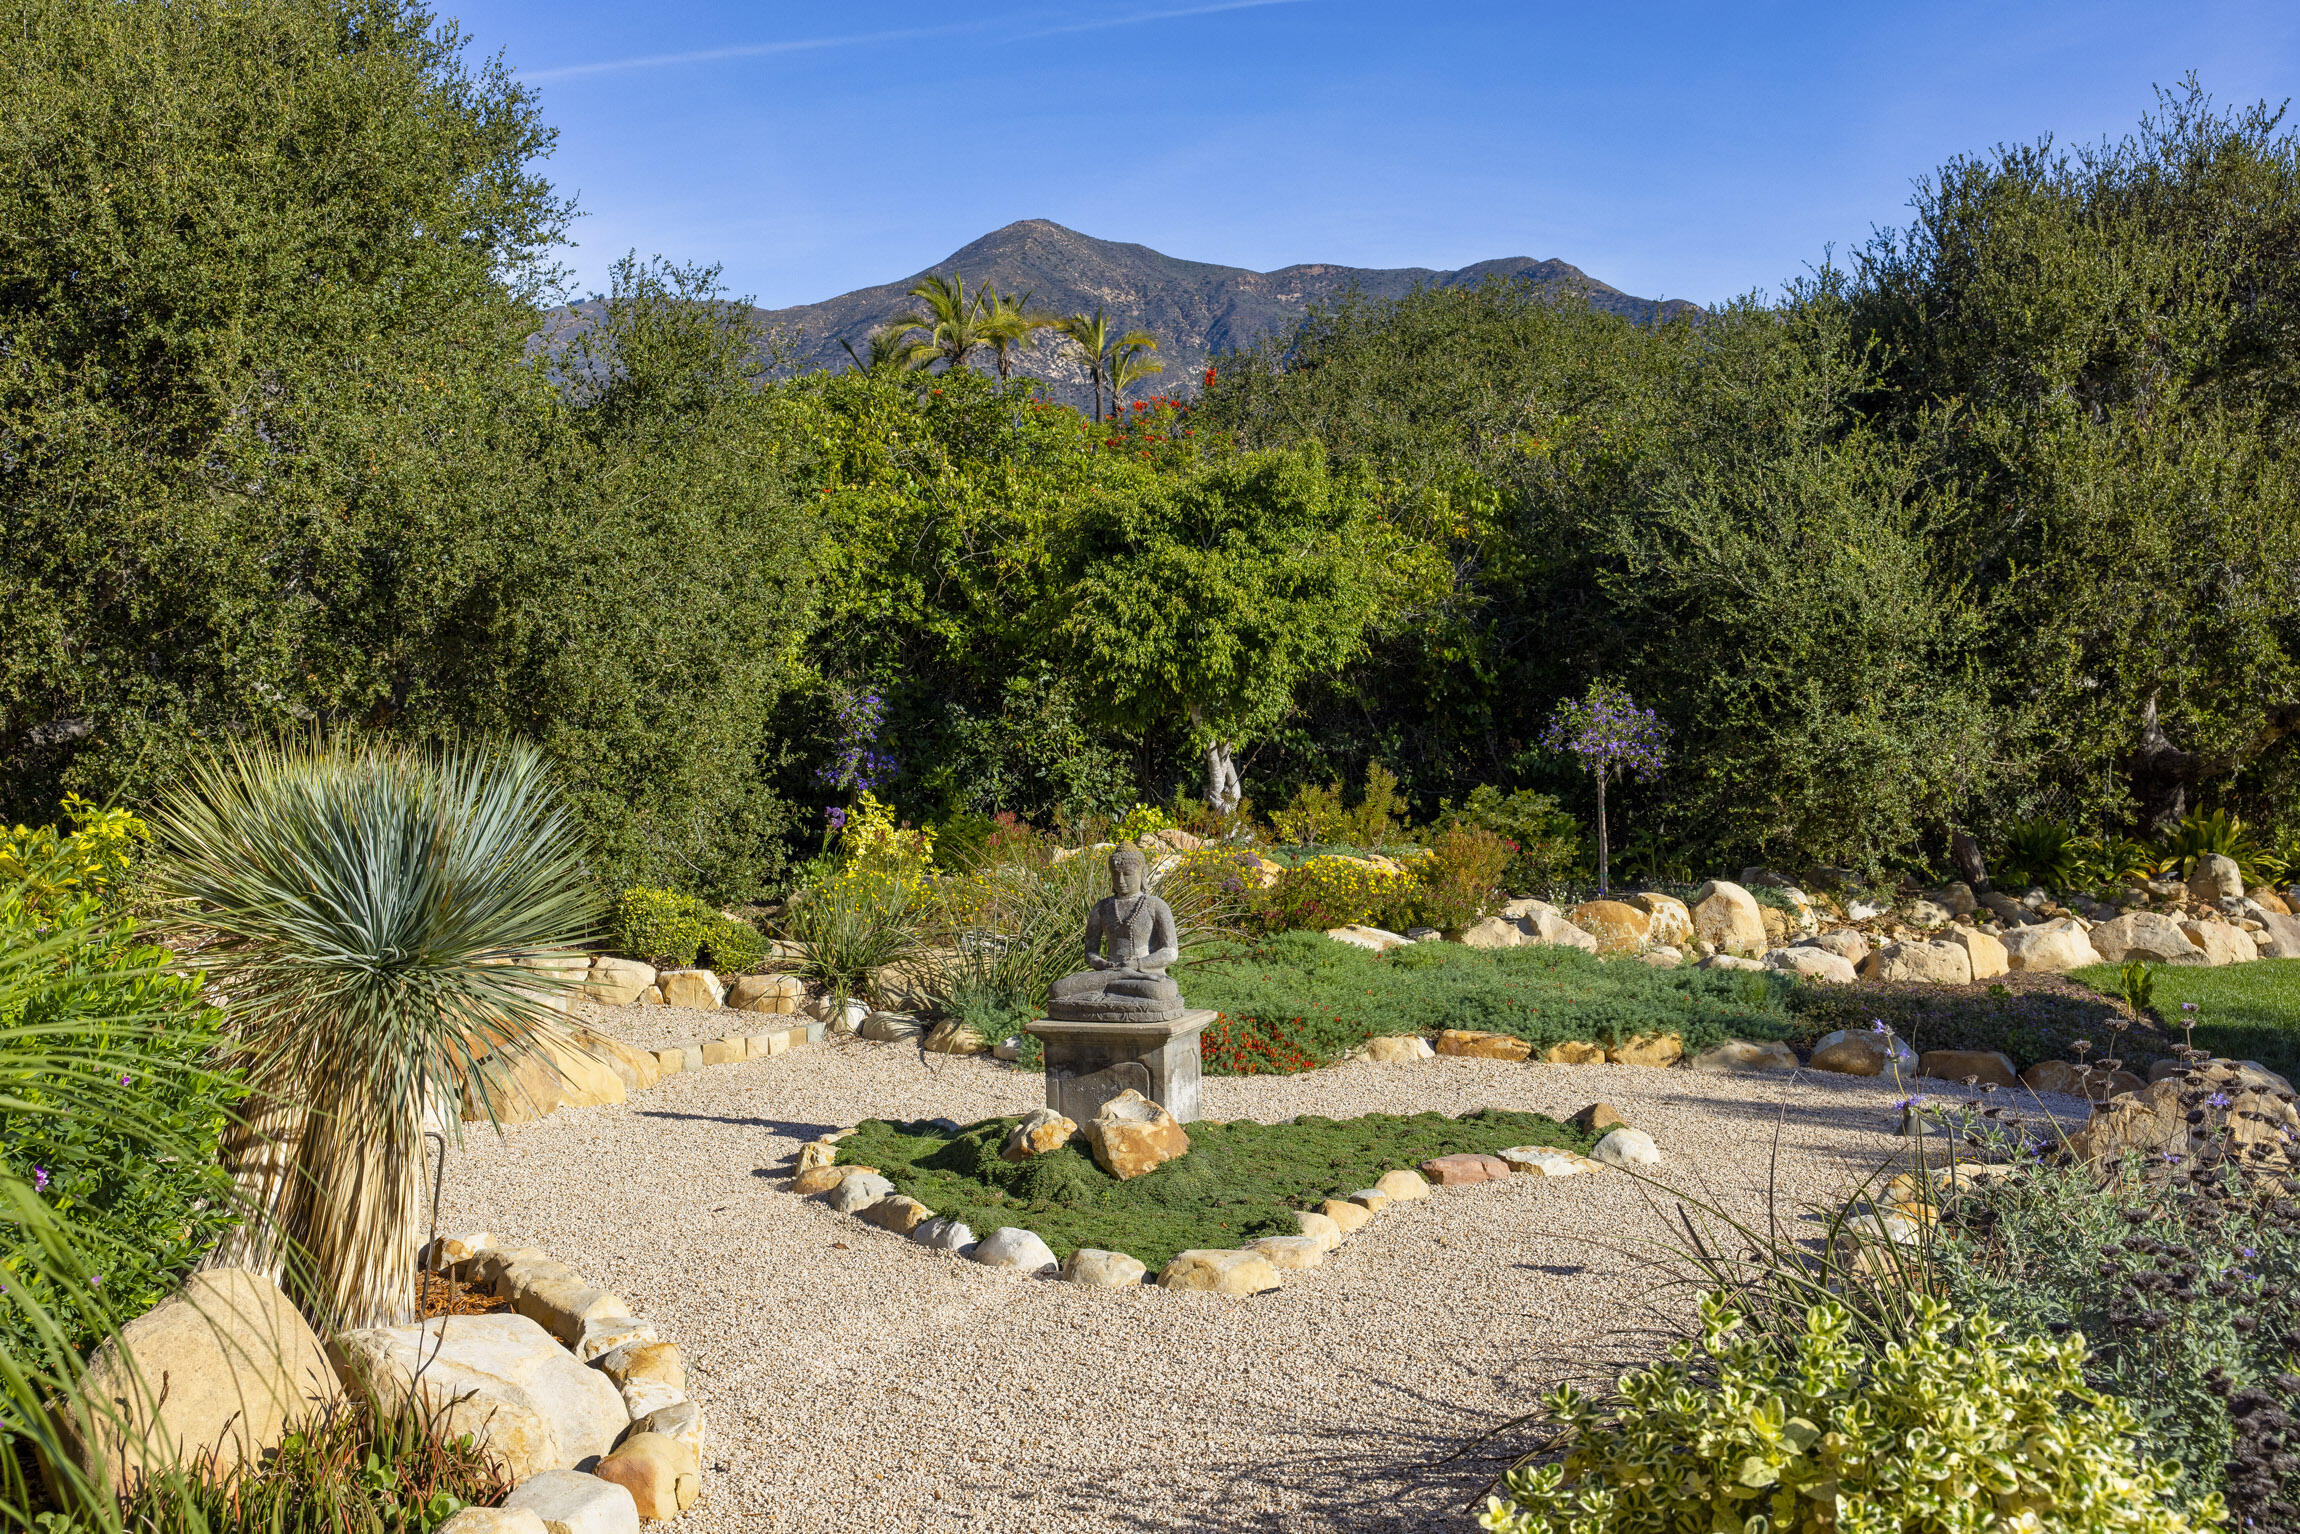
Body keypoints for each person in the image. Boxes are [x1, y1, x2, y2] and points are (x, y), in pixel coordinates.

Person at [1044, 845, 1184, 1022]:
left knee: (1159, 992)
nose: (1121, 880)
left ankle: (1110, 992)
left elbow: (1170, 952)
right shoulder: (1102, 907)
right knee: (1057, 989)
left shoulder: (1156, 905)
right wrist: (1101, 963)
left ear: (1142, 873)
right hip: (1110, 973)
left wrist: (1138, 964)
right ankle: (1114, 988)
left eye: (1127, 874)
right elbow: (1090, 952)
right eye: (1116, 874)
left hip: (1144, 976)